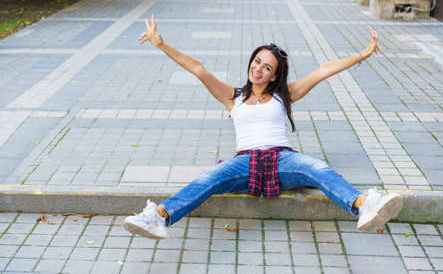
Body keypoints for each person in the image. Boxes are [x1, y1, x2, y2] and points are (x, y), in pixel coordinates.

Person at [123, 15, 403, 239]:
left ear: (273, 76)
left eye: (266, 67)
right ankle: (157, 218)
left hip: (283, 159)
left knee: (319, 170)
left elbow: (322, 71)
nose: (258, 69)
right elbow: (199, 69)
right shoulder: (233, 97)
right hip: (244, 163)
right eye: (257, 61)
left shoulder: (284, 95)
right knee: (206, 180)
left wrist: (362, 55)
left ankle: (364, 204)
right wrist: (161, 44)